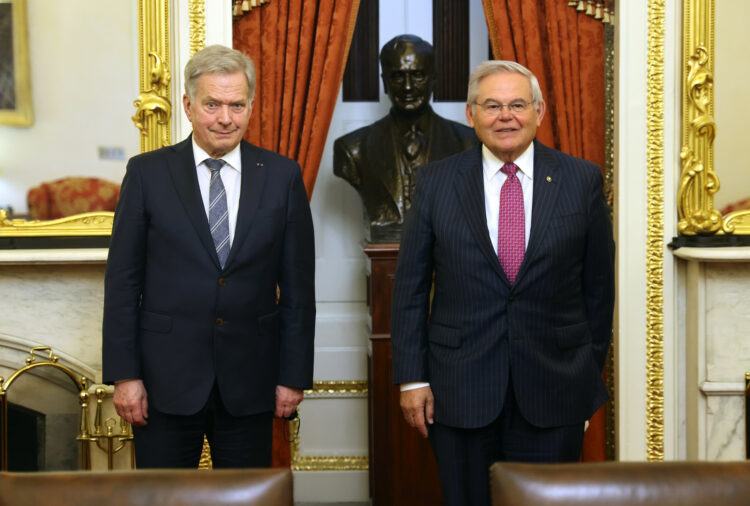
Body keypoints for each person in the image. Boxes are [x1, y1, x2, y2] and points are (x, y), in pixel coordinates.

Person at [391, 60, 615, 506]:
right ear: (471, 114)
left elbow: (598, 290)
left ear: (539, 111)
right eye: (492, 105)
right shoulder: (436, 182)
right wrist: (411, 379)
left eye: (517, 104)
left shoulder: (580, 179)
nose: (505, 116)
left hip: (555, 389)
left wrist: (583, 379)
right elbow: (410, 288)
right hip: (460, 390)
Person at [102, 45, 315, 468]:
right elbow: (123, 283)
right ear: (188, 105)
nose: (225, 118)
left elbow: (298, 289)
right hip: (164, 382)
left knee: (245, 498)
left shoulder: (282, 176)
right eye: (212, 104)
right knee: (162, 501)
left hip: (250, 380)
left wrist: (293, 376)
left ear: (251, 106)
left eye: (237, 105)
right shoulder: (146, 174)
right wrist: (126, 377)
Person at [333, 34, 476, 242]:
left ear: (433, 79)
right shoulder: (353, 149)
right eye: (397, 76)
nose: (408, 87)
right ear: (384, 82)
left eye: (418, 75)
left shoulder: (468, 143)